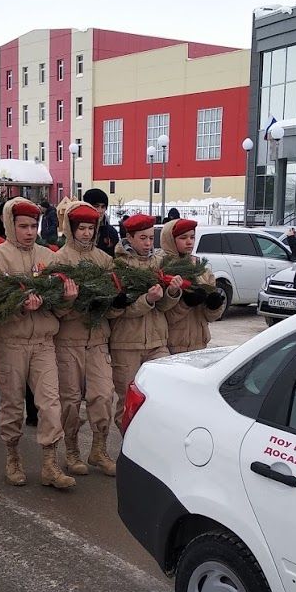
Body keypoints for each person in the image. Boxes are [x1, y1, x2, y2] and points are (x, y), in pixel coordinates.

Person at [0, 197, 77, 490]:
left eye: (34, 225)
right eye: (23, 226)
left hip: (44, 342)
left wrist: (67, 301)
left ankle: (50, 464)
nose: (29, 231)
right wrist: (21, 306)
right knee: (11, 404)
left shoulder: (49, 257)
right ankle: (13, 457)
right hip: (11, 343)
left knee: (50, 404)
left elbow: (58, 308)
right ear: (10, 225)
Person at [49, 199, 123, 476]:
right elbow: (54, 309)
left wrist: (115, 303)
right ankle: (71, 450)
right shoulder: (59, 261)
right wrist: (70, 302)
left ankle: (99, 449)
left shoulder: (105, 261)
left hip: (98, 340)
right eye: (81, 228)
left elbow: (115, 309)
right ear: (71, 229)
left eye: (90, 228)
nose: (86, 234)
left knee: (103, 396)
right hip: (69, 341)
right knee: (69, 400)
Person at [110, 214, 181, 429]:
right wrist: (148, 299)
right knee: (126, 402)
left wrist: (173, 292)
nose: (149, 243)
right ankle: (127, 449)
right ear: (129, 238)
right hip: (126, 344)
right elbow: (120, 311)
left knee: (161, 397)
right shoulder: (117, 267)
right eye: (143, 238)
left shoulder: (159, 264)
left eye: (151, 238)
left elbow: (164, 308)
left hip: (157, 342)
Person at [160, 217, 226, 354]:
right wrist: (186, 303)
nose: (189, 242)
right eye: (183, 238)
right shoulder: (163, 269)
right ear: (170, 240)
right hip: (171, 345)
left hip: (199, 344)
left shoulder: (202, 270)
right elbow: (163, 315)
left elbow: (211, 317)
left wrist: (214, 306)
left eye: (192, 237)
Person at [83, 188, 118, 256]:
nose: (100, 211)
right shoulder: (76, 229)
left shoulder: (111, 232)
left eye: (103, 207)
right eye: (96, 206)